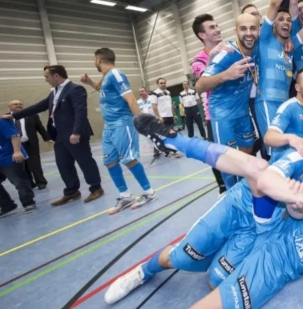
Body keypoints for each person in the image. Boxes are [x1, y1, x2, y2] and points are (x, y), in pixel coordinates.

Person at [104, 118, 303, 305]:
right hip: (240, 205)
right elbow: (265, 181)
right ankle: (143, 271)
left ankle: (211, 254)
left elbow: (300, 216)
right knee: (181, 257)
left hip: (262, 224)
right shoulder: (300, 155)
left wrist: (299, 208)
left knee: (216, 281)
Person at [4, 65, 104, 205]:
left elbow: (80, 111)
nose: (46, 80)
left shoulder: (75, 89)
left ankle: (96, 188)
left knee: (85, 161)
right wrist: (14, 115)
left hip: (75, 134)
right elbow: (39, 106)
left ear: (56, 76)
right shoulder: (54, 92)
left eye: (47, 77)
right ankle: (72, 191)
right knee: (63, 164)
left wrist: (76, 132)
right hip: (60, 136)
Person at [80, 48, 157, 214]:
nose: (94, 63)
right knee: (109, 161)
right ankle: (125, 196)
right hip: (109, 126)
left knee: (128, 159)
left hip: (123, 123)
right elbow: (104, 89)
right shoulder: (106, 77)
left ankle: (149, 192)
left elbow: (131, 99)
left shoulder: (116, 74)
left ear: (98, 60)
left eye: (94, 60)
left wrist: (141, 122)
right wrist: (90, 82)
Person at [195, 13, 260, 189]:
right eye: (243, 29)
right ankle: (232, 193)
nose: (248, 33)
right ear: (236, 31)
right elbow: (199, 86)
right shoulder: (226, 54)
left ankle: (244, 188)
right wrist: (226, 75)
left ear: (258, 30)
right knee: (226, 158)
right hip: (222, 115)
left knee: (248, 150)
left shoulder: (256, 50)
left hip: (243, 113)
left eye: (253, 28)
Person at [253, 0, 303, 160]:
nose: (285, 22)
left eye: (288, 20)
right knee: (274, 150)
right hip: (267, 101)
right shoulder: (265, 39)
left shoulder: (290, 45)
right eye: (280, 19)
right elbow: (275, 4)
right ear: (273, 24)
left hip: (285, 102)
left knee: (287, 149)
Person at [190, 14, 228, 193]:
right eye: (212, 27)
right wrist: (213, 58)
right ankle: (223, 188)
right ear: (202, 35)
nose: (218, 29)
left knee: (244, 151)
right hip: (214, 115)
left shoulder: (229, 49)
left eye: (217, 25)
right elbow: (205, 82)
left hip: (236, 109)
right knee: (217, 155)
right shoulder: (198, 61)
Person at [264, 68, 303, 161]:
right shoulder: (290, 107)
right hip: (285, 166)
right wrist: (291, 138)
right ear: (297, 88)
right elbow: (268, 138)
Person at [8, 100, 51, 190]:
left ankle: (41, 182)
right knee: (22, 165)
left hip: (30, 143)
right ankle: (30, 183)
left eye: (20, 104)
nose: (18, 105)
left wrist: (47, 138)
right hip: (15, 146)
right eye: (15, 104)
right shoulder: (5, 118)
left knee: (35, 164)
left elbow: (40, 127)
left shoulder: (32, 115)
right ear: (10, 106)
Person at [0, 118, 36, 214]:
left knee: (19, 181)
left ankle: (28, 203)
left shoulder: (2, 122)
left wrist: (17, 151)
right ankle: (7, 205)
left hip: (9, 157)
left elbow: (14, 136)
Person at [150, 78, 182, 158]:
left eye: (164, 83)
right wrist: (159, 117)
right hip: (162, 117)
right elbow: (154, 106)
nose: (163, 84)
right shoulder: (154, 93)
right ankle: (162, 151)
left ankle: (171, 150)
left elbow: (170, 104)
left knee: (171, 134)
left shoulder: (168, 92)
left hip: (170, 116)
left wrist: (174, 114)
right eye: (161, 83)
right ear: (158, 84)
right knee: (162, 135)